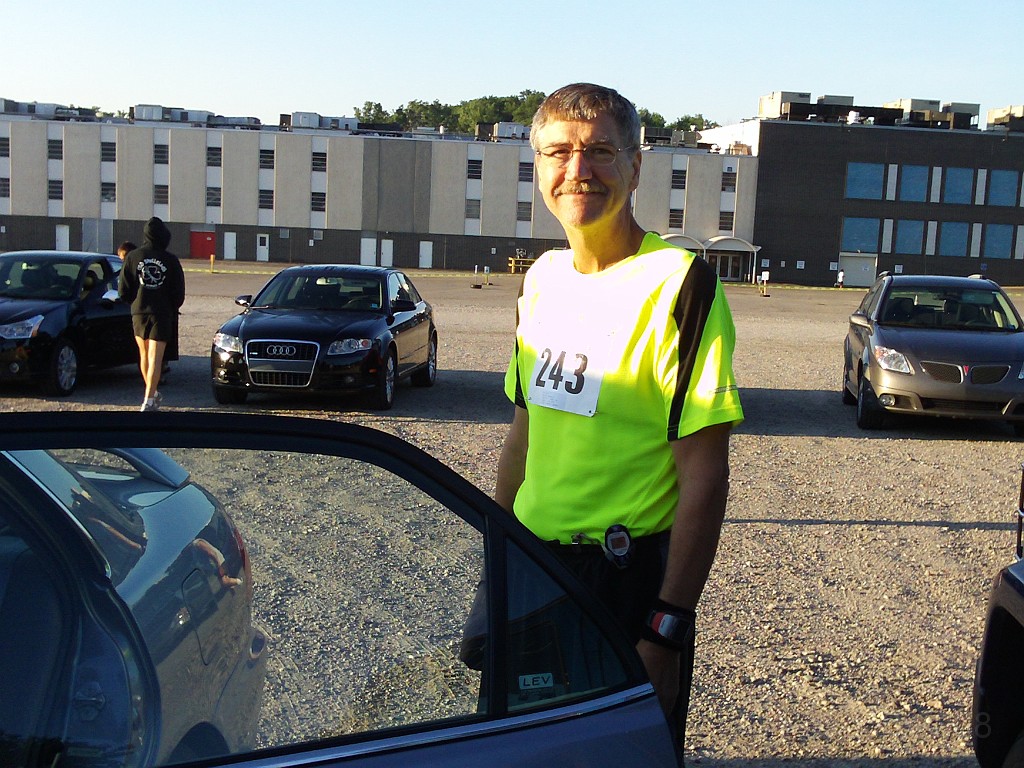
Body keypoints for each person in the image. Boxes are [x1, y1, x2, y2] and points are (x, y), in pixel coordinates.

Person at [495, 83, 744, 765]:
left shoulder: (681, 284)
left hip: (625, 580)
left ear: (636, 166)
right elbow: (524, 433)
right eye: (559, 153)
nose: (579, 171)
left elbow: (705, 474)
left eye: (601, 152)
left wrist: (665, 631)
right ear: (538, 166)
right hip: (535, 571)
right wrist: (498, 555)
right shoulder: (540, 280)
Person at [118, 217, 185, 411]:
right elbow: (178, 292)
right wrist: (171, 306)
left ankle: (152, 393)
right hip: (162, 312)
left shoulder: (132, 257)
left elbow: (123, 289)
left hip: (139, 312)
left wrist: (134, 301)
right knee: (156, 356)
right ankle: (148, 399)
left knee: (144, 355)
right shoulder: (171, 260)